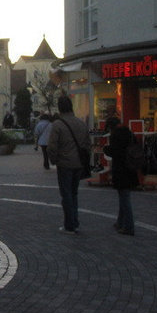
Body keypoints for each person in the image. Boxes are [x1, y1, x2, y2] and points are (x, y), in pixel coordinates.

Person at [47, 96, 90, 235]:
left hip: (65, 164)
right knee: (74, 193)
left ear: (59, 107)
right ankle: (75, 222)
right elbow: (87, 144)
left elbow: (52, 146)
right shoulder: (81, 123)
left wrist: (54, 160)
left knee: (66, 195)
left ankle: (69, 224)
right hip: (78, 164)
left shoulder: (58, 125)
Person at [103, 123, 138, 236]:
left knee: (124, 199)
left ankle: (128, 226)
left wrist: (105, 148)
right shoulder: (130, 134)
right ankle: (120, 222)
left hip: (120, 171)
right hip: (131, 169)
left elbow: (112, 151)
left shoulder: (116, 137)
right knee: (124, 197)